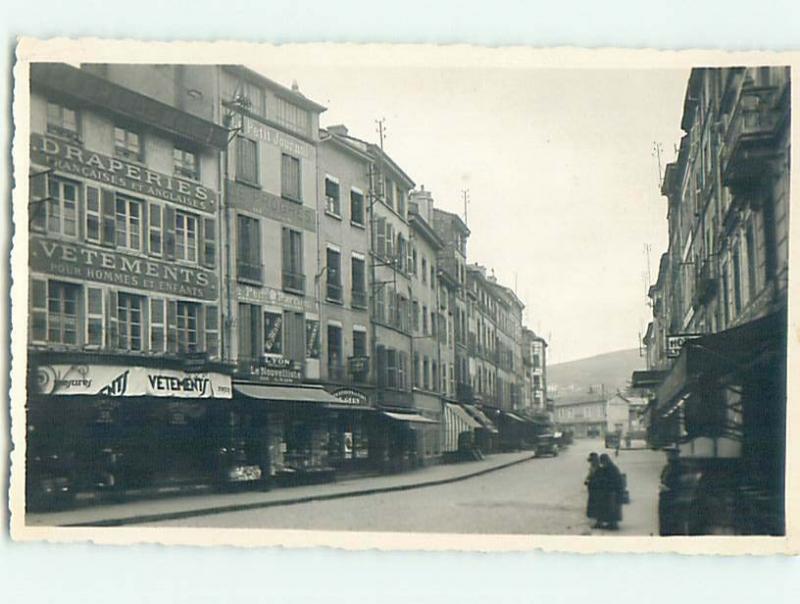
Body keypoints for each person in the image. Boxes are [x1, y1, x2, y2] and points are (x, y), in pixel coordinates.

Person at [593, 453, 624, 530]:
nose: (602, 464)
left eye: (603, 462)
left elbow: (614, 481)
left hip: (612, 492)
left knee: (611, 508)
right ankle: (610, 522)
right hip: (609, 491)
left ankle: (613, 523)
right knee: (607, 507)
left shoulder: (612, 469)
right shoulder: (609, 468)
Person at [584, 452, 601, 523]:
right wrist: (587, 479)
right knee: (592, 499)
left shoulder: (597, 467)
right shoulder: (593, 466)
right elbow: (590, 474)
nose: (590, 462)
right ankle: (592, 514)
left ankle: (594, 514)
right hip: (592, 485)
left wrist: (588, 479)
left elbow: (593, 474)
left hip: (595, 485)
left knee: (594, 500)